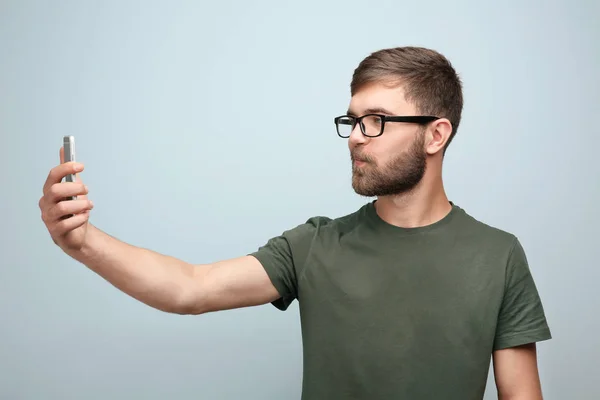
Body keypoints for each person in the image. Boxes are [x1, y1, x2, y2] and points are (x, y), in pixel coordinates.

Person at [39, 46, 552, 400]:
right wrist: (83, 242)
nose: (355, 136)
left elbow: (521, 394)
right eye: (351, 121)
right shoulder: (315, 245)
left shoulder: (498, 255)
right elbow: (188, 288)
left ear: (435, 135)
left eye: (375, 120)